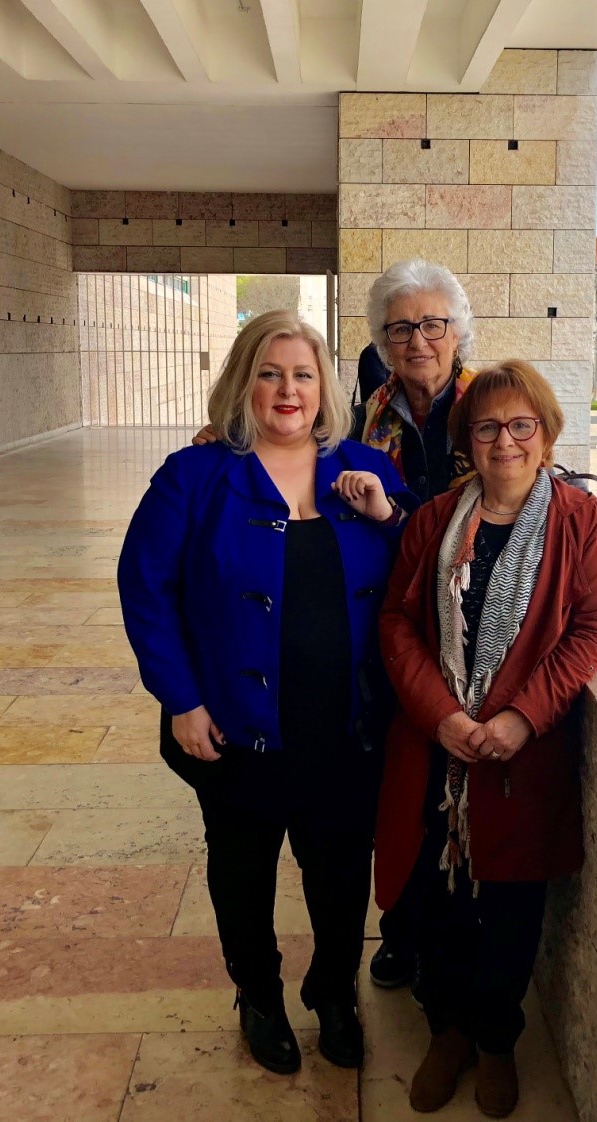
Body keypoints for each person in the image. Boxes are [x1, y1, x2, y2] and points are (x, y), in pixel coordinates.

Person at [197, 261, 597, 992]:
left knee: (479, 847)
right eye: (401, 328)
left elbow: (545, 502)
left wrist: (582, 621)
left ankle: (457, 983)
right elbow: (303, 453)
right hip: (390, 646)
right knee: (395, 809)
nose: (418, 340)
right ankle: (405, 937)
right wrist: (233, 436)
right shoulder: (366, 414)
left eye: (432, 324)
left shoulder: (491, 400)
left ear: (456, 331)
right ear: (382, 340)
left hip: (484, 646)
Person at [118, 312, 417, 1075]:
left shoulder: (368, 472)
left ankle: (333, 993)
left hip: (345, 728)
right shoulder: (195, 475)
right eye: (270, 373)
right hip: (233, 728)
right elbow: (145, 589)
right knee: (242, 873)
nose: (288, 390)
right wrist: (181, 701)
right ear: (243, 384)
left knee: (343, 872)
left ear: (326, 391)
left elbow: (422, 573)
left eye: (304, 375)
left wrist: (387, 518)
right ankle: (257, 994)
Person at [376, 360, 597, 1117]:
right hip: (437, 752)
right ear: (466, 442)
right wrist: (442, 717)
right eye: (486, 427)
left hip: (521, 759)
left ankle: (493, 1040)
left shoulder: (582, 523)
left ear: (545, 437)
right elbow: (397, 625)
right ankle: (443, 1032)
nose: (505, 441)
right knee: (433, 905)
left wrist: (519, 718)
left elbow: (591, 632)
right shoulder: (433, 522)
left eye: (522, 426)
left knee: (511, 913)